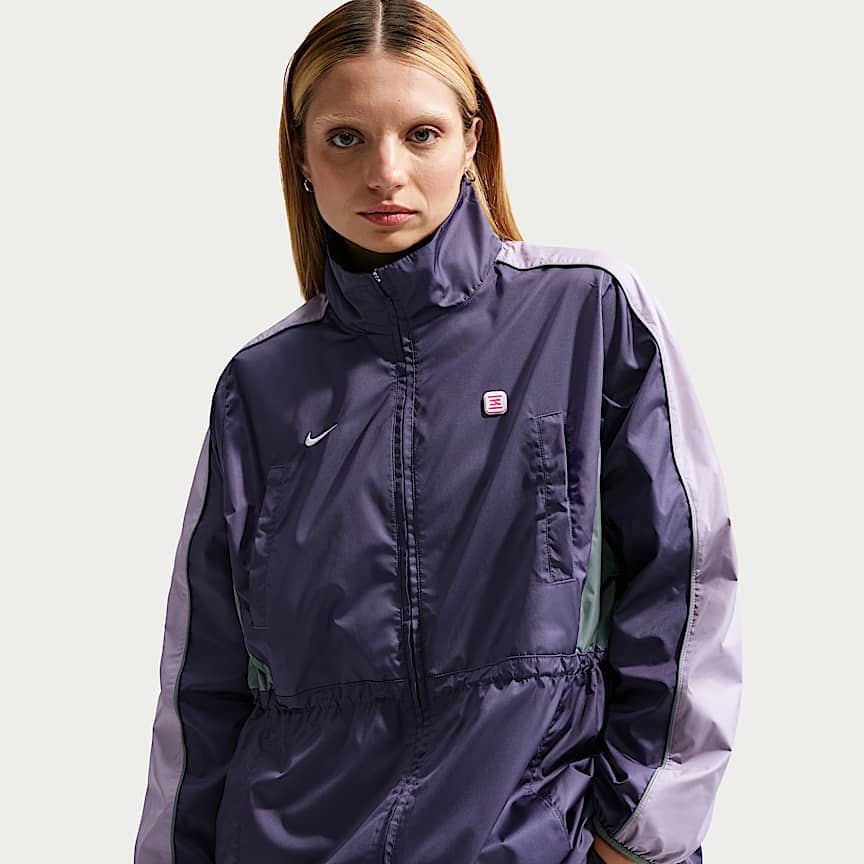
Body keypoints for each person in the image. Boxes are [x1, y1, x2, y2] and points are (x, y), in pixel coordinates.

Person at [133, 2, 742, 863]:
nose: (385, 172)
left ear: (470, 141)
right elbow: (202, 685)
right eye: (345, 139)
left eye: (420, 134)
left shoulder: (588, 316)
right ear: (301, 157)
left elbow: (685, 581)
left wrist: (638, 839)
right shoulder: (260, 388)